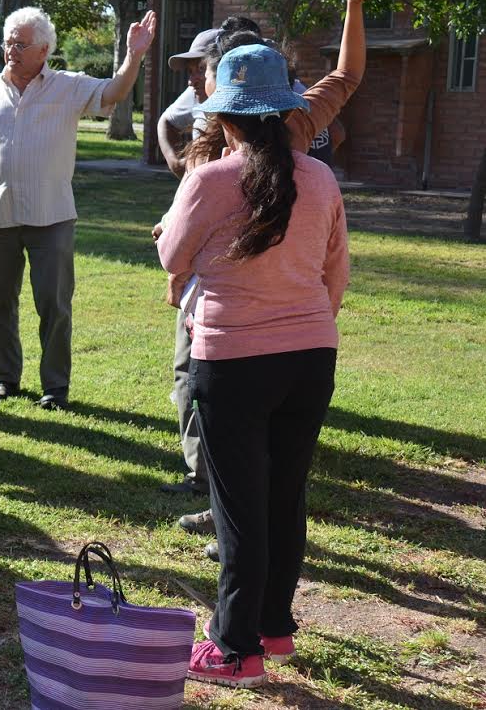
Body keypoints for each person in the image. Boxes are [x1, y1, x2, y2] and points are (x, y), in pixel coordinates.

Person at [157, 42, 350, 689]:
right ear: (283, 111)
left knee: (240, 508)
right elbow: (336, 271)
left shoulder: (209, 180)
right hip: (310, 357)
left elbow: (171, 257)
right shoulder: (320, 178)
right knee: (284, 496)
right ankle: (274, 629)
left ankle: (235, 648)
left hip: (233, 360)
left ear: (230, 118)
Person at [167, 0, 376, 553]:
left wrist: (355, 6)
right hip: (218, 301)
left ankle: (236, 531)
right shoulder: (217, 135)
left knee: (238, 411)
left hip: (262, 310)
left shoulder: (294, 121)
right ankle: (223, 512)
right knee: (195, 393)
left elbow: (347, 74)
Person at [0, 6, 157, 410]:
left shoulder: (67, 86)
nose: (11, 48)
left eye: (21, 43)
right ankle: (5, 378)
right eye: (8, 41)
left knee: (54, 305)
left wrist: (134, 57)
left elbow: (112, 93)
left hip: (52, 215)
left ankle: (55, 388)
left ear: (44, 50)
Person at [157, 27, 221, 179]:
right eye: (190, 71)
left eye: (201, 69)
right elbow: (166, 121)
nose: (191, 81)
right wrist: (176, 163)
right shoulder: (196, 92)